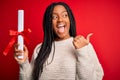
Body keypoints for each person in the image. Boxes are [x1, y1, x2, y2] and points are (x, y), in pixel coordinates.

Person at [14, 2, 104, 80]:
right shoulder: (39, 49)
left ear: (70, 19)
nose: (60, 19)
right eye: (54, 17)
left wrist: (82, 52)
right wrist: (24, 63)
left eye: (65, 15)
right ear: (49, 22)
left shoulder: (84, 45)